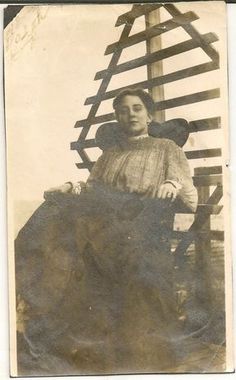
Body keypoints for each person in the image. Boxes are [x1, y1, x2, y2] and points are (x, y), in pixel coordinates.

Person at [15, 89, 198, 375]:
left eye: (137, 108)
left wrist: (171, 186)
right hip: (104, 218)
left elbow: (184, 187)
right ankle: (39, 300)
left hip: (142, 219)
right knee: (53, 216)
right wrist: (69, 187)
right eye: (123, 110)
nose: (131, 114)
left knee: (83, 234)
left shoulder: (166, 148)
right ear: (117, 117)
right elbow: (92, 187)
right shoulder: (110, 154)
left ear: (150, 115)